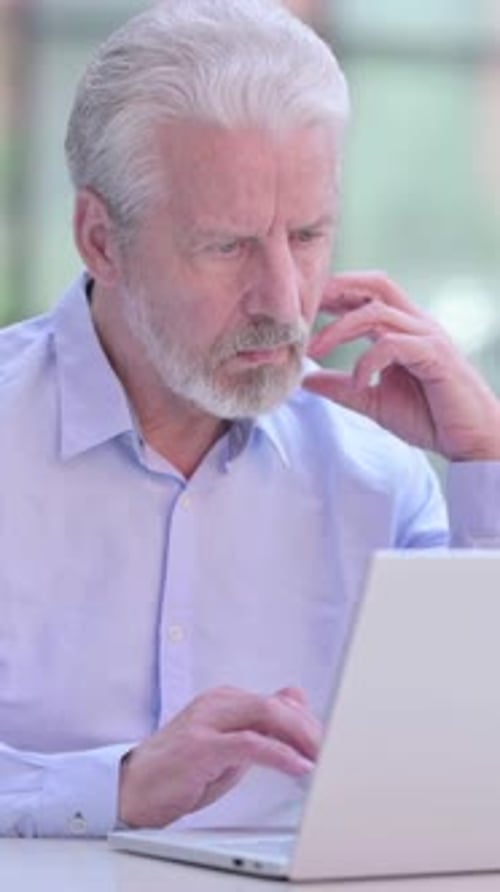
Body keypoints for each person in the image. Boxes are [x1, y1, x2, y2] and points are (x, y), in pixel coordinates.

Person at [1, 0, 499, 839]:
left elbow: (475, 768)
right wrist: (111, 787)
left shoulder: (380, 472)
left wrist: (486, 457)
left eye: (306, 236)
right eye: (227, 246)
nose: (282, 301)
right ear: (100, 240)